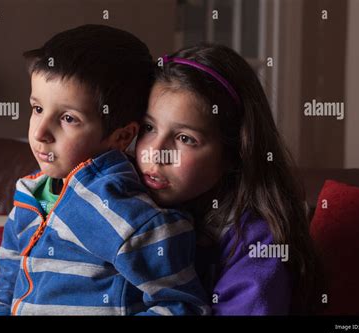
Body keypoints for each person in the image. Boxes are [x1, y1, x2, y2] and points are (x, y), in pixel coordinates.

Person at [0, 25, 209, 316]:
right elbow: (5, 280)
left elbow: (182, 306)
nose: (39, 133)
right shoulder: (30, 194)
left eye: (68, 118)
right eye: (37, 108)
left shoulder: (134, 218)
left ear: (122, 137)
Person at [135, 43, 322, 315]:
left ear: (233, 153)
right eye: (148, 127)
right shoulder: (121, 198)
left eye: (185, 138)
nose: (156, 152)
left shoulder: (256, 243)